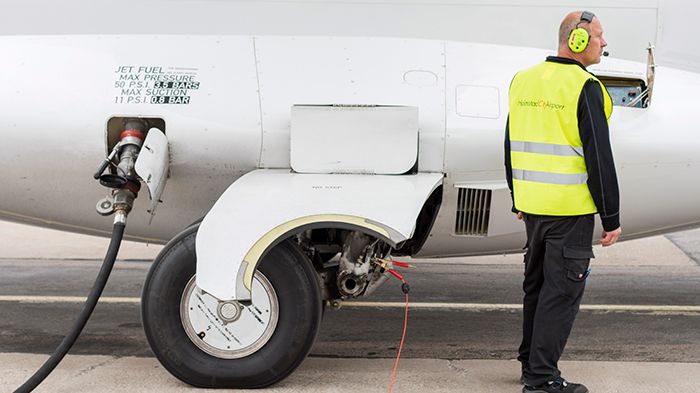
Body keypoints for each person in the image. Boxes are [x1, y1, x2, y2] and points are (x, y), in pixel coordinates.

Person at [504, 10, 623, 393]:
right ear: (577, 40)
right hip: (569, 212)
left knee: (537, 289)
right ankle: (541, 380)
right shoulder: (585, 87)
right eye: (599, 37)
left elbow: (510, 144)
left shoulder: (522, 80)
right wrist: (612, 216)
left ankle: (530, 365)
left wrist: (517, 197)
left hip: (534, 209)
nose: (604, 43)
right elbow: (598, 158)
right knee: (561, 294)